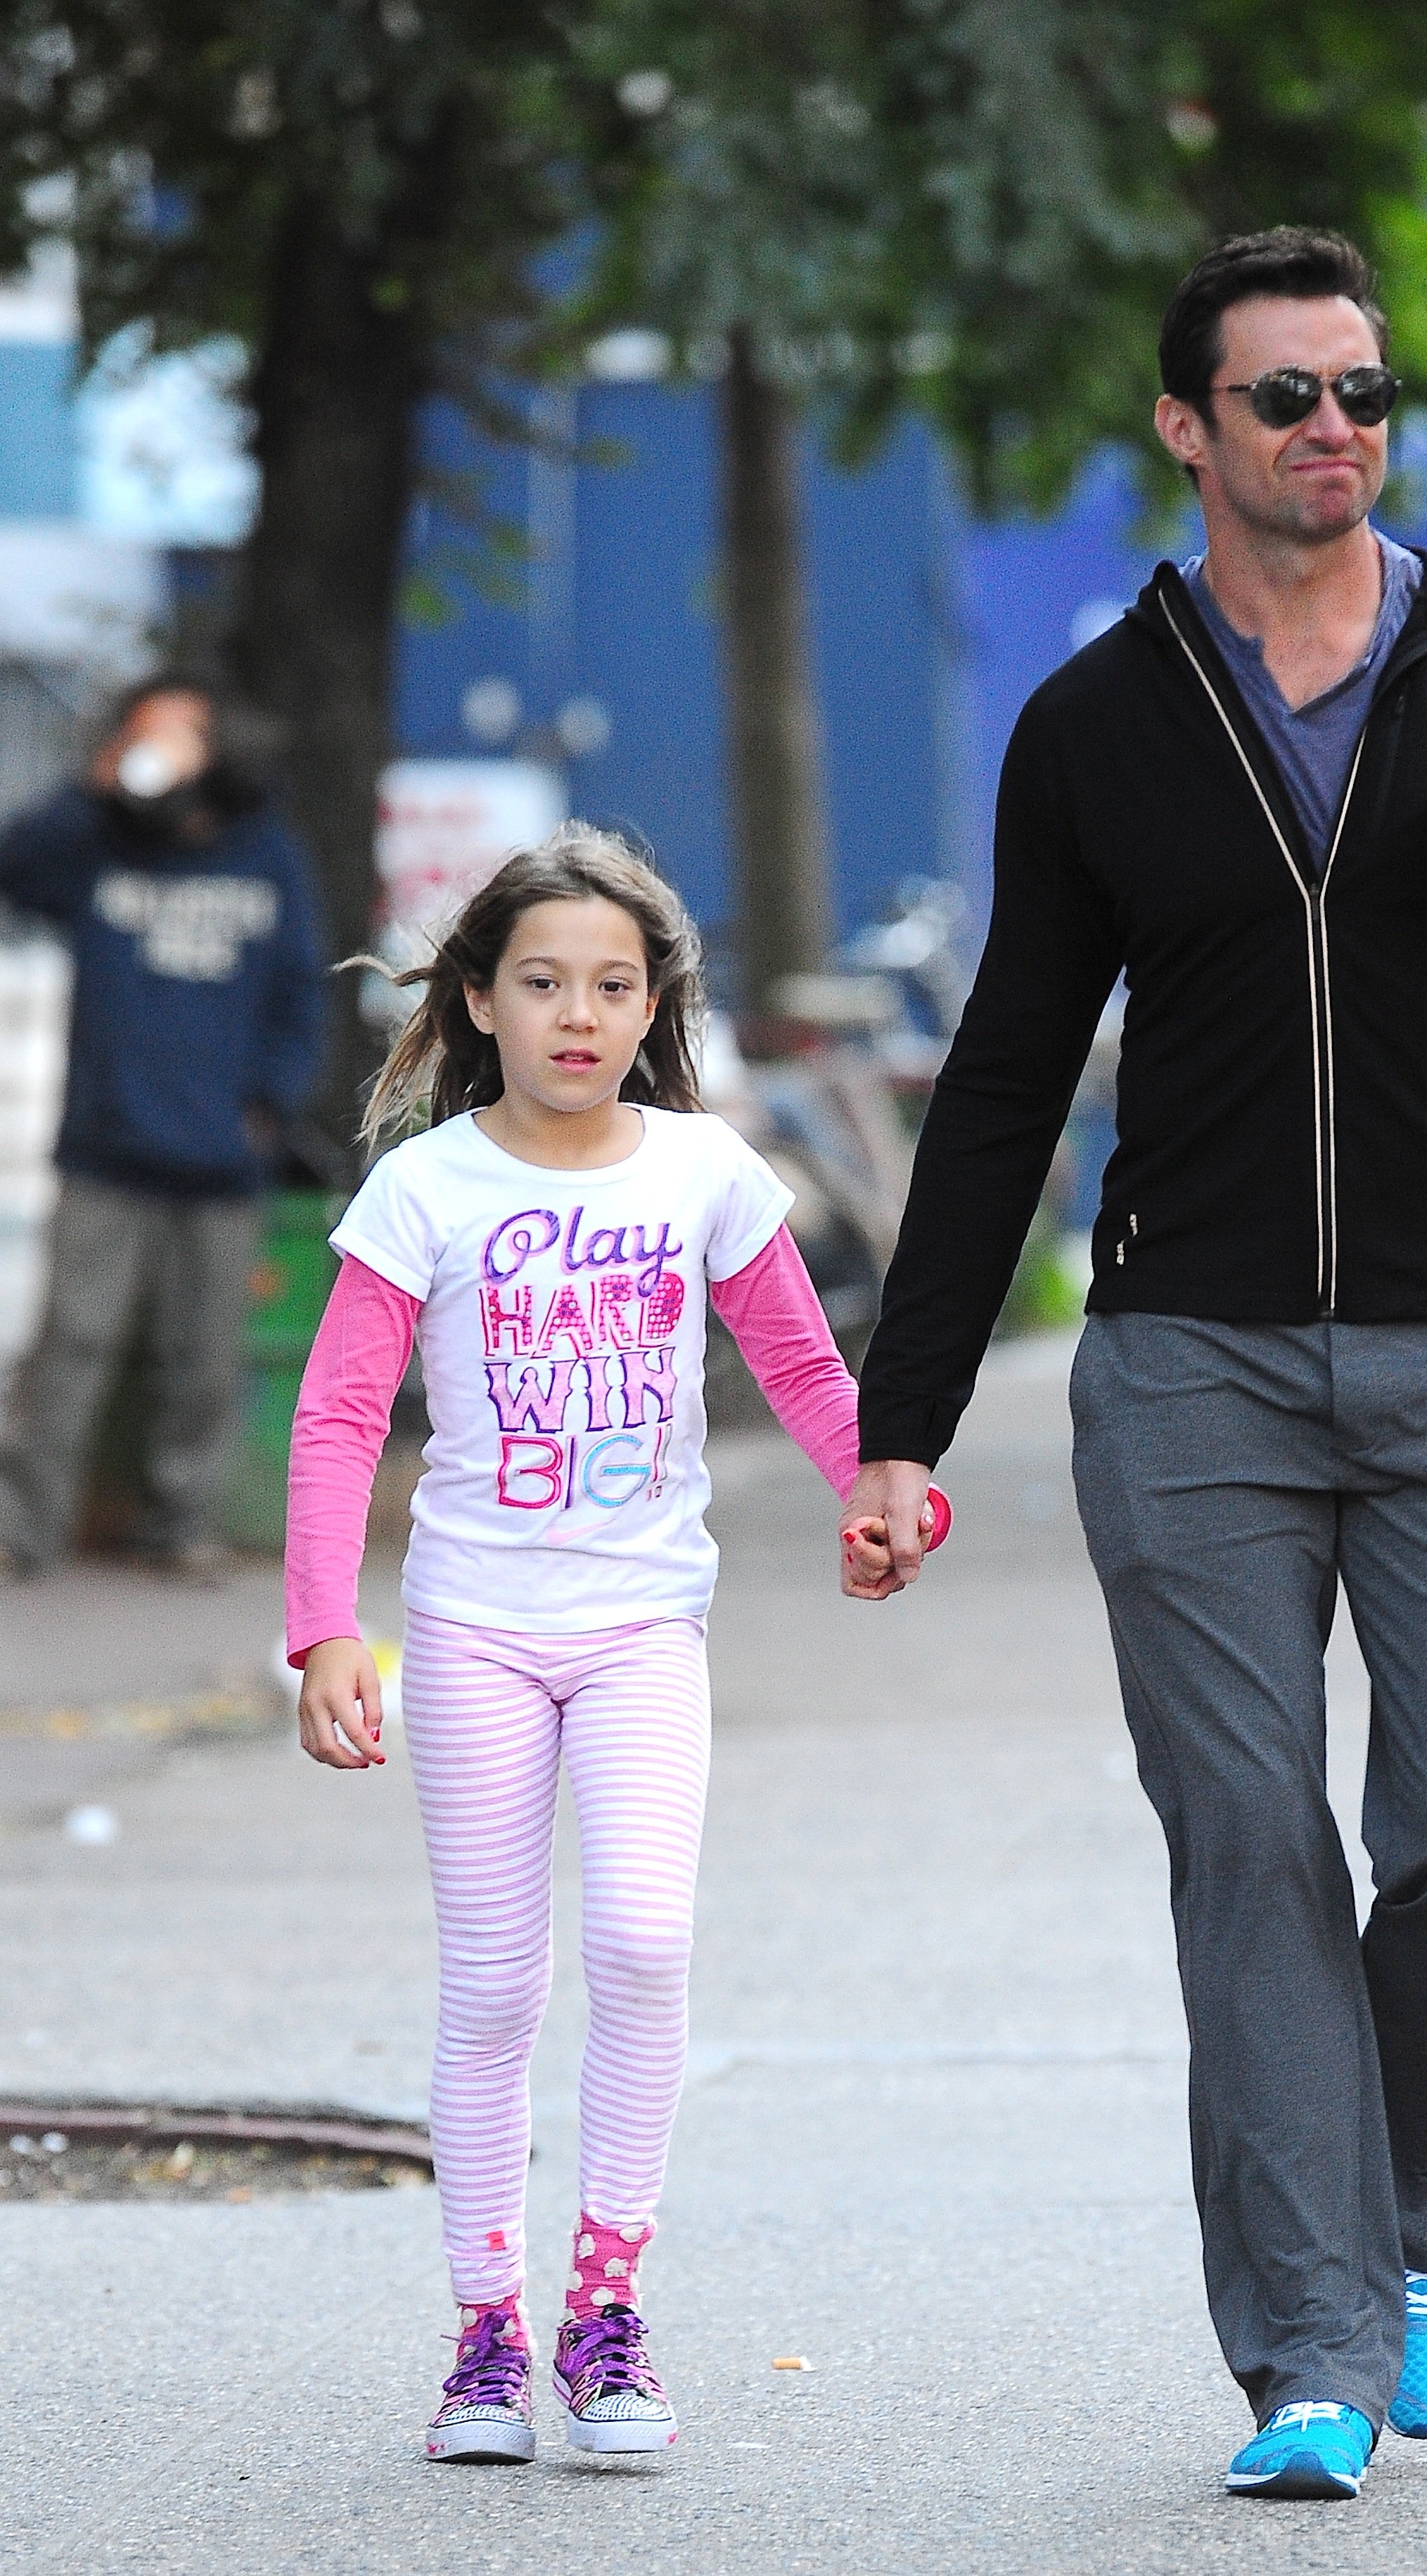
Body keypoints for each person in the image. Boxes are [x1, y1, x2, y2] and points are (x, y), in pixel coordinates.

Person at [846, 228, 1427, 2502]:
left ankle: (1422, 2229)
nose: (1334, 431)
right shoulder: (1099, 724)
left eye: (1364, 393)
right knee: (1246, 1841)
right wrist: (902, 1417)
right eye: (1285, 397)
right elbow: (1003, 1075)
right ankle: (1309, 2356)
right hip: (1189, 1365)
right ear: (1188, 427)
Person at [285, 827, 942, 2463]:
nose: (577, 1014)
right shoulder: (423, 1189)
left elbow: (796, 1358)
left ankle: (604, 2307)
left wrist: (875, 1487)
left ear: (652, 1005)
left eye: (612, 984)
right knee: (496, 1982)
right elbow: (338, 1414)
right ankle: (487, 2335)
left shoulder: (702, 1171)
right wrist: (323, 1633)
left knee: (645, 1946)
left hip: (646, 1622)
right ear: (477, 1004)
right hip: (471, 1629)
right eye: (541, 983)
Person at [0, 675, 326, 1576]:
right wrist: (94, 784)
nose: (163, 751)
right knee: (71, 1343)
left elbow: (301, 992)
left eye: (181, 733)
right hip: (106, 1148)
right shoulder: (95, 841)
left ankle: (182, 1526)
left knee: (205, 1358)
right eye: (146, 734)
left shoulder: (267, 853)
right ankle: (25, 1530)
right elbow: (15, 869)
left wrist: (269, 1106)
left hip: (223, 1158)